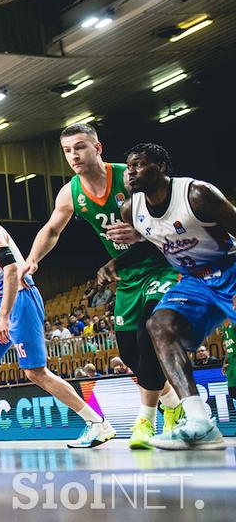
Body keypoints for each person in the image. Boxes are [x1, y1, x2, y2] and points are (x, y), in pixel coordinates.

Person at [21, 123, 182, 449]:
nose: (74, 155)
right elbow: (52, 230)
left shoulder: (130, 177)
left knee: (150, 333)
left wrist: (142, 233)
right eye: (67, 150)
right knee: (131, 356)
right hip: (126, 277)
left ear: (98, 148)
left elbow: (171, 213)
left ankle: (145, 422)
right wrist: (33, 259)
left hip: (161, 265)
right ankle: (173, 404)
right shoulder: (71, 193)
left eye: (80, 147)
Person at [0, 193, 115, 449]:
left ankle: (97, 423)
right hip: (1, 301)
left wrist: (4, 316)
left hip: (21, 298)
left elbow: (12, 270)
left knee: (35, 372)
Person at [96, 143, 236, 450]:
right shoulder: (130, 209)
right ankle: (199, 422)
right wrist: (116, 263)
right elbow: (153, 242)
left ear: (160, 166)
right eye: (128, 167)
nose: (130, 172)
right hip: (194, 281)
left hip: (229, 267)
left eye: (139, 165)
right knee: (158, 325)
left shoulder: (196, 194)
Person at [223, 320, 236, 418]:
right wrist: (225, 362)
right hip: (231, 366)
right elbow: (228, 347)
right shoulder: (223, 326)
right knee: (233, 394)